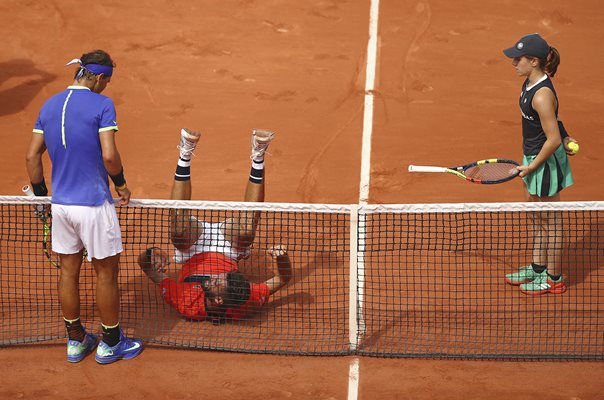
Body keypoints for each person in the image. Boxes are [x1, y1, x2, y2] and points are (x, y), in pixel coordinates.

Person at [25, 50, 142, 363]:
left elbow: (32, 156)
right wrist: (121, 184)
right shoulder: (102, 104)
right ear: (100, 77)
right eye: (108, 81)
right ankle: (111, 342)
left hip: (61, 206)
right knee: (106, 275)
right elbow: (109, 155)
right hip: (92, 204)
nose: (107, 87)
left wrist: (41, 198)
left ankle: (76, 341)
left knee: (68, 273)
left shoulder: (48, 105)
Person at [137, 128, 292, 322]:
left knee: (178, 231)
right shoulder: (246, 300)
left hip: (191, 249)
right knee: (246, 231)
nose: (217, 275)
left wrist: (152, 252)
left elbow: (146, 267)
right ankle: (258, 155)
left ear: (217, 299)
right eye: (225, 276)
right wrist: (282, 257)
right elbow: (282, 279)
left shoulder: (186, 302)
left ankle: (185, 153)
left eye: (219, 280)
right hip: (229, 249)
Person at [501, 33, 578, 295]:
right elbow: (554, 121)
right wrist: (566, 134)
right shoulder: (529, 83)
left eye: (517, 59)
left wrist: (532, 167)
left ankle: (554, 278)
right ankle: (537, 268)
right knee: (536, 216)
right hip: (532, 157)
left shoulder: (541, 95)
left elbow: (553, 139)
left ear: (533, 61)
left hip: (543, 163)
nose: (514, 63)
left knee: (551, 222)